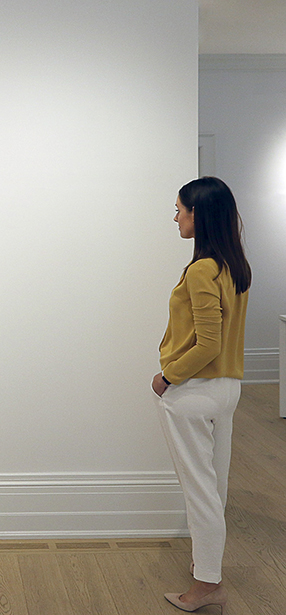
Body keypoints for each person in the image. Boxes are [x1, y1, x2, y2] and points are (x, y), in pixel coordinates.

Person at [152, 176, 251, 614]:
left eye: (179, 209)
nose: (175, 216)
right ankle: (208, 573)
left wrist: (168, 376)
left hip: (194, 392)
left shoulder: (200, 269)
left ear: (199, 214)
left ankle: (206, 585)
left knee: (201, 492)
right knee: (216, 487)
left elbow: (207, 343)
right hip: (227, 389)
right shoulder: (234, 266)